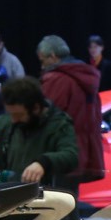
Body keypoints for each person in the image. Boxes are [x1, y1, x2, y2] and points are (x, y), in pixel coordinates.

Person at [0, 77, 76, 186]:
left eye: (19, 115)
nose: (14, 120)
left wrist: (44, 162)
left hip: (47, 196)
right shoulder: (6, 126)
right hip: (12, 196)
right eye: (11, 114)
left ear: (36, 108)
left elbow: (71, 155)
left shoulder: (59, 125)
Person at [37, 35, 104, 183]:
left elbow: (45, 118)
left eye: (42, 60)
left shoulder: (56, 79)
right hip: (81, 154)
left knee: (54, 203)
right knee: (70, 200)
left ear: (53, 56)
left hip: (58, 154)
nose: (42, 67)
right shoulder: (86, 78)